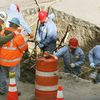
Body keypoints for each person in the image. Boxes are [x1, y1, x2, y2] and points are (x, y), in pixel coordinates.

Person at [0, 17, 28, 95]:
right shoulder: (17, 35)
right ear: (16, 26)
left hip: (2, 60)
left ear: (10, 24)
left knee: (3, 75)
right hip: (12, 62)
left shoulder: (2, 32)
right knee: (13, 77)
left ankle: (2, 90)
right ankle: (13, 90)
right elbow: (23, 47)